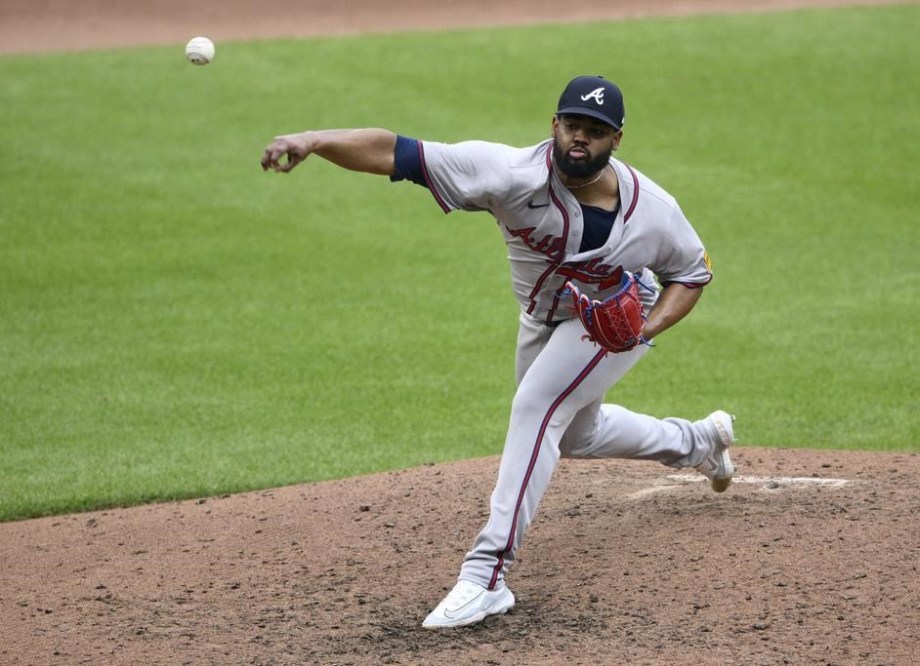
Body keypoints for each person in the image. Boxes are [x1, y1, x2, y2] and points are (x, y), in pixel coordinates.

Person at [260, 75, 736, 629]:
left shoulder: (652, 210)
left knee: (536, 407)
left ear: (617, 140)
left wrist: (642, 328)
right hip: (541, 317)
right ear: (554, 126)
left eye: (596, 131)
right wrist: (315, 140)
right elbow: (399, 152)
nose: (581, 138)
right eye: (573, 125)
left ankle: (485, 574)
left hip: (613, 317)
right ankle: (696, 442)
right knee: (576, 434)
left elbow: (692, 273)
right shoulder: (506, 173)